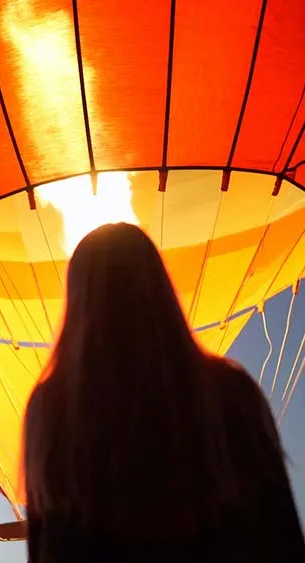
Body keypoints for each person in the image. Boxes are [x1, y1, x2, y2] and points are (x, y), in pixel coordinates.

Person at [22, 222, 304, 562]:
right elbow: (279, 532)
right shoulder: (229, 391)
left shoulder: (50, 409)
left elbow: (46, 546)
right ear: (160, 287)